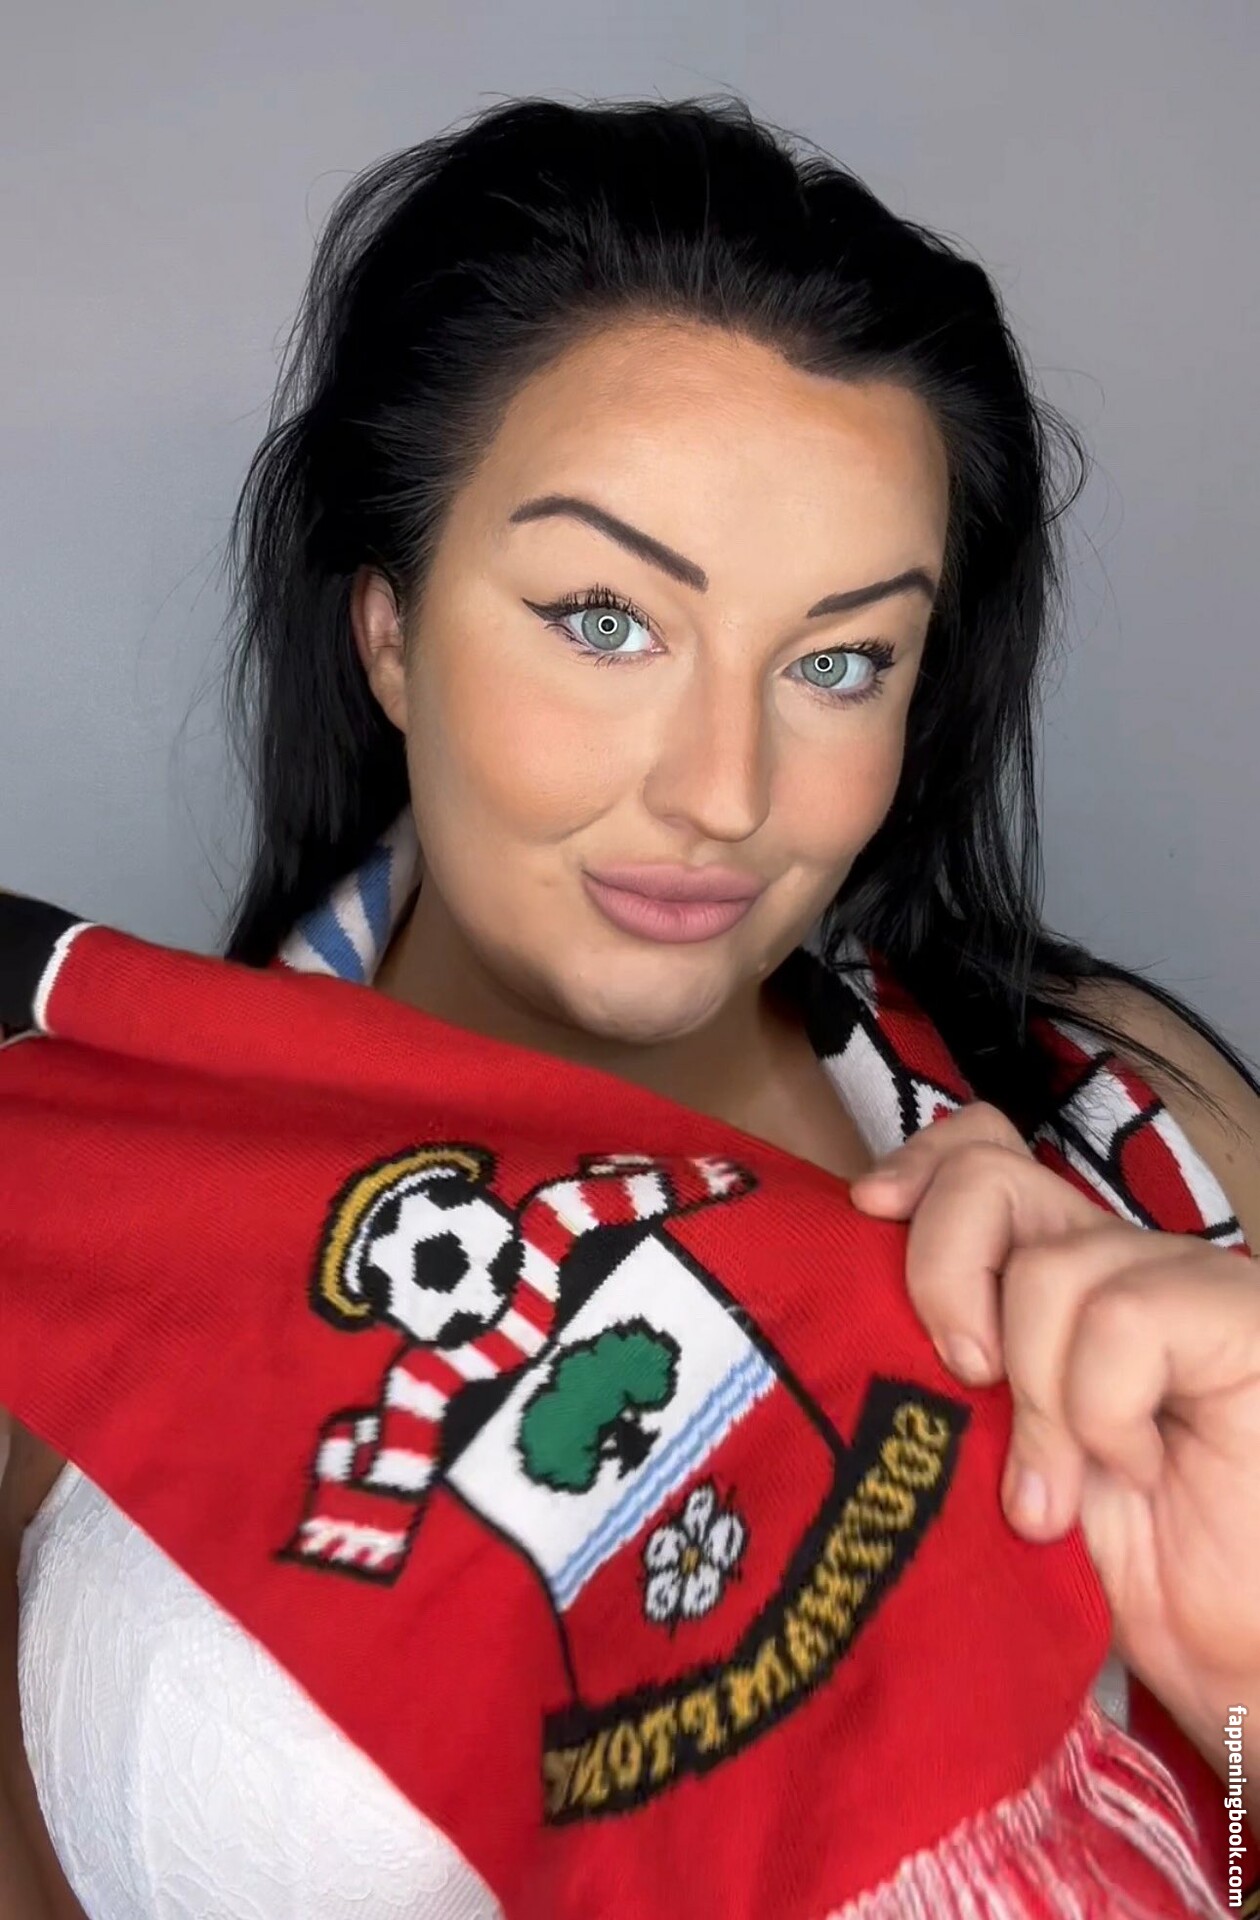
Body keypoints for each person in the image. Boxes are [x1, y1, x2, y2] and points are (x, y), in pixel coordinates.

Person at [1, 92, 1258, 1920]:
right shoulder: (67, 1245)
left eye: (841, 660)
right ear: (388, 633)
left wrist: (1243, 1699)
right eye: (605, 620)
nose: (726, 792)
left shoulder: (1127, 1128)